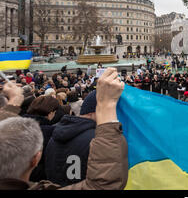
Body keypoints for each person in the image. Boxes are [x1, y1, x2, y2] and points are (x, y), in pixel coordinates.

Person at [0, 67, 128, 190]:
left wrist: (14, 102)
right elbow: (103, 185)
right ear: (35, 159)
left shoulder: (55, 135)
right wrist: (106, 106)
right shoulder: (91, 138)